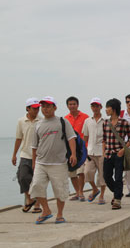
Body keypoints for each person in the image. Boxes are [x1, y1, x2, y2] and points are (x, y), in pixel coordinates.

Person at [29, 96, 77, 224]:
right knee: (36, 186)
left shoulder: (62, 122)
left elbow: (71, 138)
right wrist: (34, 162)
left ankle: (60, 214)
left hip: (59, 162)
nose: (45, 109)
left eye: (48, 106)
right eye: (43, 106)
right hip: (41, 162)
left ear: (54, 107)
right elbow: (34, 146)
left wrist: (73, 154)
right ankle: (46, 210)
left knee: (60, 190)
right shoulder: (38, 125)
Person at [102, 98, 130, 210]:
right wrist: (104, 153)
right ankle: (118, 193)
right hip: (108, 154)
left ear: (113, 109)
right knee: (106, 176)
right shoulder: (105, 122)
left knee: (118, 177)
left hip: (119, 154)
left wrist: (123, 150)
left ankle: (117, 200)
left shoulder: (124, 123)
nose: (106, 110)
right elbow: (104, 140)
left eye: (107, 107)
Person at [12, 98, 42, 213]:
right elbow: (19, 138)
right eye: (34, 108)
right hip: (25, 154)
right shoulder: (21, 121)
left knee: (37, 180)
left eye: (38, 108)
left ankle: (37, 204)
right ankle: (29, 199)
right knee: (23, 177)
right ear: (28, 108)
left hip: (39, 155)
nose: (37, 110)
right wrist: (14, 154)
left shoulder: (41, 120)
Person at [82, 98, 106, 205]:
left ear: (101, 107)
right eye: (93, 106)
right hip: (90, 152)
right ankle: (95, 189)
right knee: (87, 172)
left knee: (102, 175)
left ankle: (102, 195)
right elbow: (85, 137)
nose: (95, 108)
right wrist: (83, 152)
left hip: (102, 152)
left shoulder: (106, 121)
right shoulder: (87, 121)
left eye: (97, 106)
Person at [64, 96, 89, 202]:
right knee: (72, 173)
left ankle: (81, 192)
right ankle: (78, 192)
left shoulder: (85, 117)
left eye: (74, 104)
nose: (72, 106)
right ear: (67, 106)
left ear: (77, 105)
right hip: (70, 150)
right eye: (70, 104)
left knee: (81, 172)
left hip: (83, 149)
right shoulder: (65, 119)